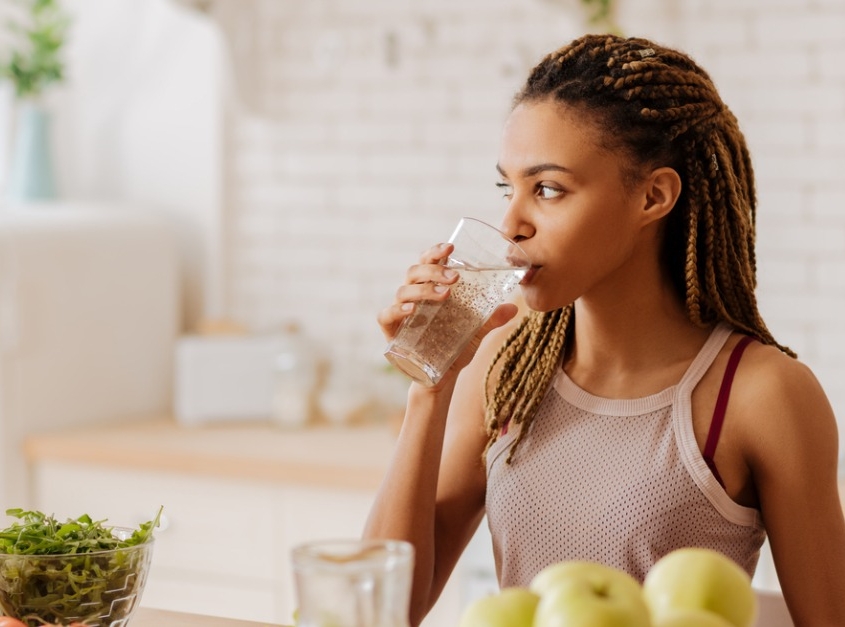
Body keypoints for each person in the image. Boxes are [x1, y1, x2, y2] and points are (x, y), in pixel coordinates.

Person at [364, 33, 845, 626]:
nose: (511, 221)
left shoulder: (760, 395)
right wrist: (429, 386)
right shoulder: (504, 366)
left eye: (547, 189)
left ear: (654, 195)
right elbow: (383, 612)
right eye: (505, 187)